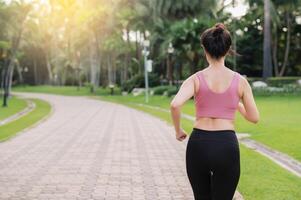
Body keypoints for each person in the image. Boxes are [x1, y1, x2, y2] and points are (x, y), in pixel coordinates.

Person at [170, 23, 260, 200]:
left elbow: (175, 105)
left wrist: (178, 130)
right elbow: (254, 118)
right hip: (226, 144)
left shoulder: (195, 79)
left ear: (205, 49)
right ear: (228, 50)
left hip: (198, 144)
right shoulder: (240, 81)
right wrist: (237, 105)